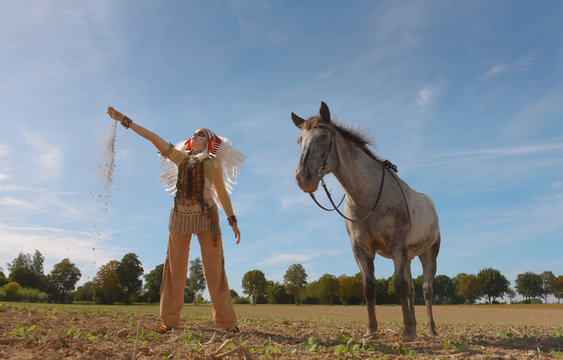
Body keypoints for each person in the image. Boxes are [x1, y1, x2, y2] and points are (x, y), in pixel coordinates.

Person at [106, 106, 243, 334]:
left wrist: (233, 221)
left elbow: (223, 193)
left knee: (215, 268)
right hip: (180, 218)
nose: (195, 135)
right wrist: (124, 120)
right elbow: (153, 138)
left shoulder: (212, 164)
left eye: (201, 134)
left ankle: (227, 323)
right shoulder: (179, 157)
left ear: (209, 142)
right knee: (173, 267)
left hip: (207, 217)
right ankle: (169, 322)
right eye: (194, 132)